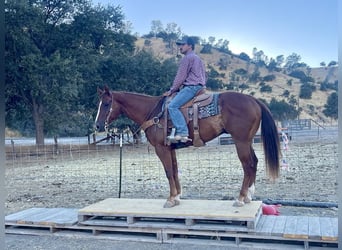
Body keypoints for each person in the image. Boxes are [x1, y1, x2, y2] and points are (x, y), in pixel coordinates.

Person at [163, 36, 206, 143]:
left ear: (190, 46)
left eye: (182, 45)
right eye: (179, 45)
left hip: (191, 87)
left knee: (172, 106)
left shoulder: (187, 58)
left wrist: (172, 90)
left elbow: (180, 77)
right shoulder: (198, 59)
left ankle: (182, 132)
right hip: (200, 87)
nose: (180, 47)